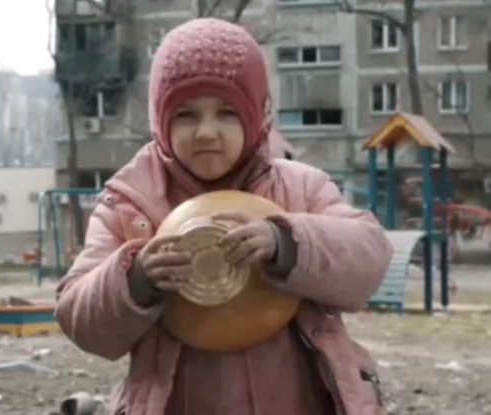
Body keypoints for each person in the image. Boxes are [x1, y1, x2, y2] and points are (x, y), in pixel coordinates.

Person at [55, 17, 393, 415]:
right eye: (185, 114)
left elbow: (370, 259)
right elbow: (80, 321)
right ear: (159, 120)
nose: (206, 132)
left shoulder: (301, 188)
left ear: (256, 116)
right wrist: (137, 278)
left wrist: (287, 242)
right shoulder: (131, 205)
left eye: (227, 112)